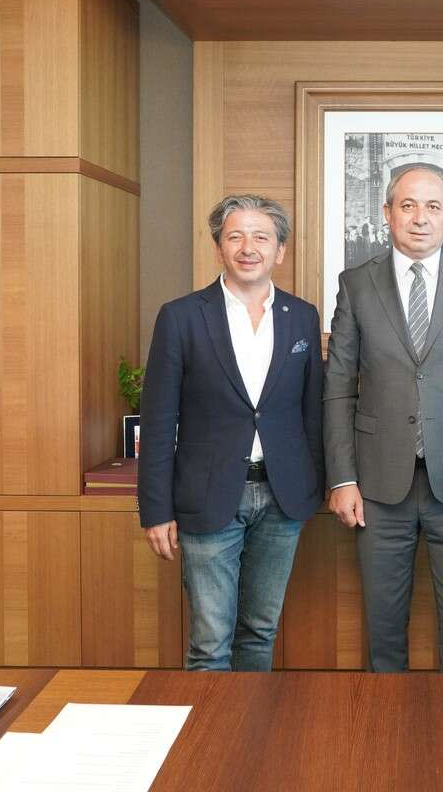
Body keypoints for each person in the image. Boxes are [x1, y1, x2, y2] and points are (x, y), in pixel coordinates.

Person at [325, 166, 443, 672]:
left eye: (433, 206)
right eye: (407, 205)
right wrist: (342, 478)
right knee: (382, 628)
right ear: (387, 213)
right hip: (377, 484)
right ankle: (385, 719)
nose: (420, 218)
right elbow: (338, 385)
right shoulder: (357, 283)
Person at [138, 194, 325, 671]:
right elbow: (158, 421)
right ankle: (211, 724)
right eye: (235, 236)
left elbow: (313, 413)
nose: (248, 247)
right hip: (208, 496)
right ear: (218, 247)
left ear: (280, 250)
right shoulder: (181, 316)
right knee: (210, 643)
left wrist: (315, 487)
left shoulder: (302, 317)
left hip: (282, 498)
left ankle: (249, 721)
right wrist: (156, 510)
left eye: (261, 237)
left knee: (260, 632)